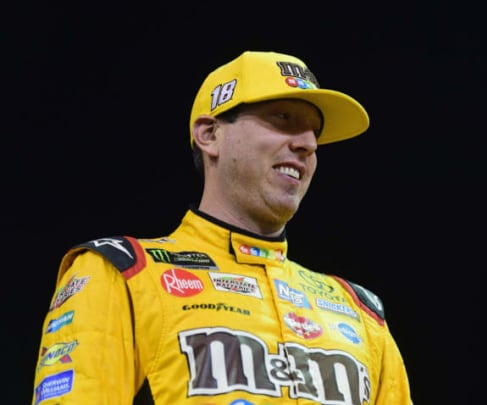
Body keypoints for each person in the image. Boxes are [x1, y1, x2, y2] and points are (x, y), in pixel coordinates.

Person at [31, 50, 413, 405]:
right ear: (209, 134)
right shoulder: (124, 275)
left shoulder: (359, 312)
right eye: (283, 118)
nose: (307, 144)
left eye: (314, 132)